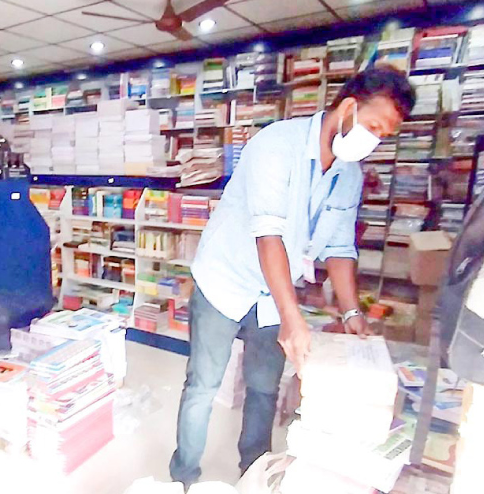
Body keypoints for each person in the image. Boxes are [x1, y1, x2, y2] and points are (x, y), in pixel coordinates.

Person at [169, 67, 415, 486]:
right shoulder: (276, 144)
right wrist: (292, 317)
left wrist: (352, 312)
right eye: (374, 127)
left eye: (384, 135)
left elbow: (340, 248)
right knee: (203, 386)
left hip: (273, 293)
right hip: (225, 281)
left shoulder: (348, 175)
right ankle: (182, 478)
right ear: (349, 108)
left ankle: (254, 475)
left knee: (264, 389)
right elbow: (269, 236)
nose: (375, 141)